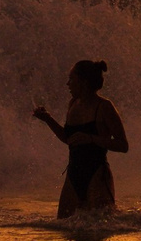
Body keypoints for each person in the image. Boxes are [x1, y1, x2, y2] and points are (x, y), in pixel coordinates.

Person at [33, 59, 127, 218]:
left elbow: (123, 145)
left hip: (97, 173)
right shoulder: (73, 104)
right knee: (63, 226)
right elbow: (69, 139)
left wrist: (91, 138)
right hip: (73, 174)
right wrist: (47, 119)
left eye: (71, 79)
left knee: (100, 226)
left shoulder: (104, 107)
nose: (67, 84)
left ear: (83, 82)